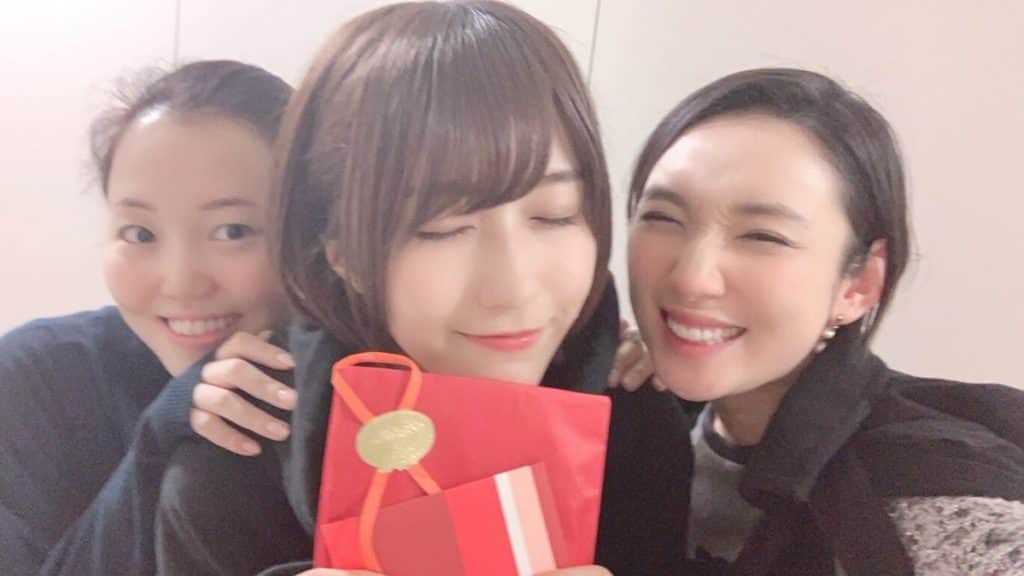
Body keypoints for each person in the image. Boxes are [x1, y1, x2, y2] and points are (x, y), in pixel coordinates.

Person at [152, 2, 691, 575]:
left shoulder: (636, 428)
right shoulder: (238, 447)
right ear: (338, 247)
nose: (512, 288)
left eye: (555, 213)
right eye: (442, 227)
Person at [626, 67, 1024, 575]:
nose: (691, 279)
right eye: (662, 217)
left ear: (858, 285)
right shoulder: (645, 429)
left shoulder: (927, 494)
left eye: (763, 236)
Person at [0, 60, 307, 575]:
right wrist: (159, 439)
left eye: (233, 231)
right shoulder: (38, 379)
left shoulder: (358, 388)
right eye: (139, 234)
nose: (181, 282)